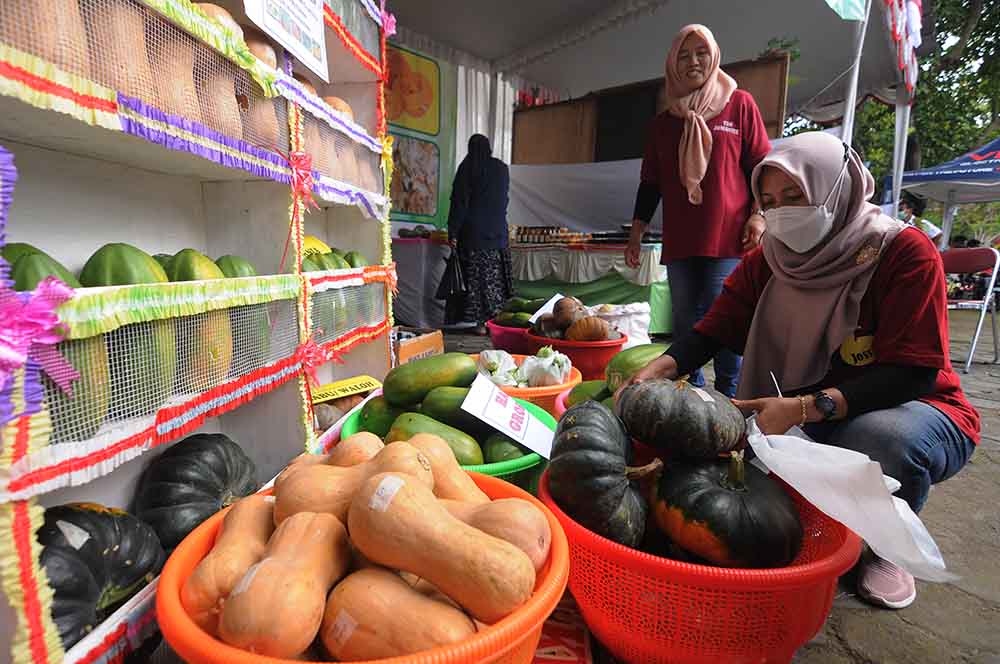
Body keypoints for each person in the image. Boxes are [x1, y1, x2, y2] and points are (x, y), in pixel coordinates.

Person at [625, 131, 979, 610]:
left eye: (795, 196)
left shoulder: (903, 253)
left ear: (838, 187)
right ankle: (841, 514)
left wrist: (806, 407)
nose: (782, 211)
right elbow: (712, 330)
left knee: (880, 440)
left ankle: (887, 546)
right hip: (800, 406)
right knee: (742, 471)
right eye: (768, 201)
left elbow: (913, 373)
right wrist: (656, 371)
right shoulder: (769, 260)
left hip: (914, 406)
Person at [626, 24, 771, 398]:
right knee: (686, 325)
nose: (693, 61)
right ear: (673, 63)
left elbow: (761, 166)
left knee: (726, 322)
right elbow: (651, 183)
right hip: (681, 240)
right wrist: (636, 233)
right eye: (684, 55)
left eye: (701, 53)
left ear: (714, 56)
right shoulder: (663, 124)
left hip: (729, 237)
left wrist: (759, 214)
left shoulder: (739, 105)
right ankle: (690, 399)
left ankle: (731, 399)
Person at [445, 134, 513, 335]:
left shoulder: (468, 168)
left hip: (474, 235)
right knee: (496, 281)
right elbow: (504, 199)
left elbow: (459, 203)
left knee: (479, 281)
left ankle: (482, 324)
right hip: (498, 233)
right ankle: (498, 322)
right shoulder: (501, 169)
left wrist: (453, 231)